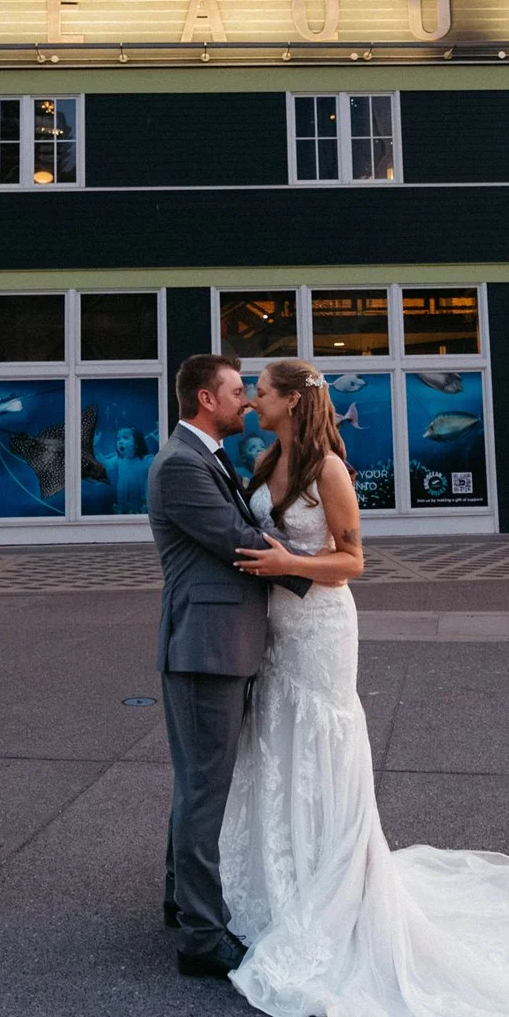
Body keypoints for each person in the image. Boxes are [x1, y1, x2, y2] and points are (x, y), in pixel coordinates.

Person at [222, 359, 509, 1017]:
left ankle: (336, 885)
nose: (253, 399)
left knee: (320, 742)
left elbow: (353, 560)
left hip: (321, 630)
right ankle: (284, 876)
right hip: (275, 630)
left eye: (264, 391)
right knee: (278, 742)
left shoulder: (328, 470)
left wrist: (289, 563)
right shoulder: (263, 459)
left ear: (292, 401)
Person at [148, 354, 311, 980]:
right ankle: (201, 938)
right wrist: (318, 566)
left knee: (199, 781)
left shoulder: (207, 456)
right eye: (237, 390)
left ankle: (180, 900)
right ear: (206, 400)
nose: (246, 400)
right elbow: (237, 539)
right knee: (203, 787)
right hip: (205, 648)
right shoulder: (181, 465)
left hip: (221, 644)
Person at [100, 426, 153, 514]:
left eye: (125, 438)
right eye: (118, 439)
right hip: (124, 505)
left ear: (136, 443)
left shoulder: (147, 460)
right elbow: (106, 465)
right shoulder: (119, 459)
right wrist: (95, 447)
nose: (120, 441)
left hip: (142, 506)